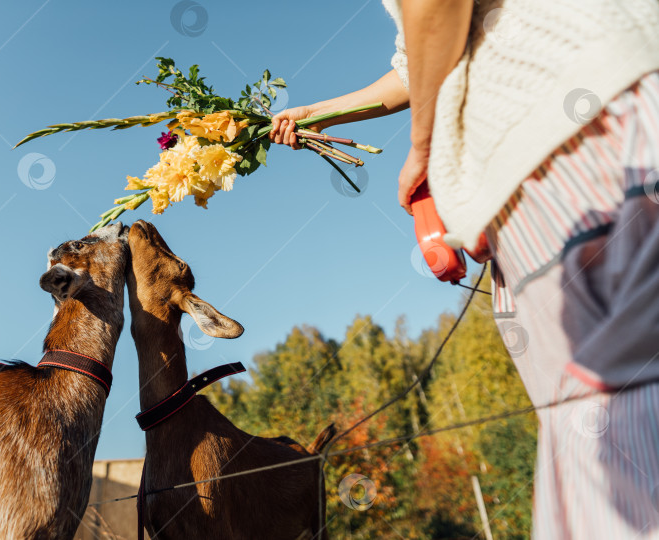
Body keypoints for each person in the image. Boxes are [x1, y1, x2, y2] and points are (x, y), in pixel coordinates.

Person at [270, 1, 659, 538]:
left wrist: (426, 146)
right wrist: (312, 115)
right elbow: (421, 56)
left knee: (610, 435)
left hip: (566, 138)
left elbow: (436, 7)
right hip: (604, 104)